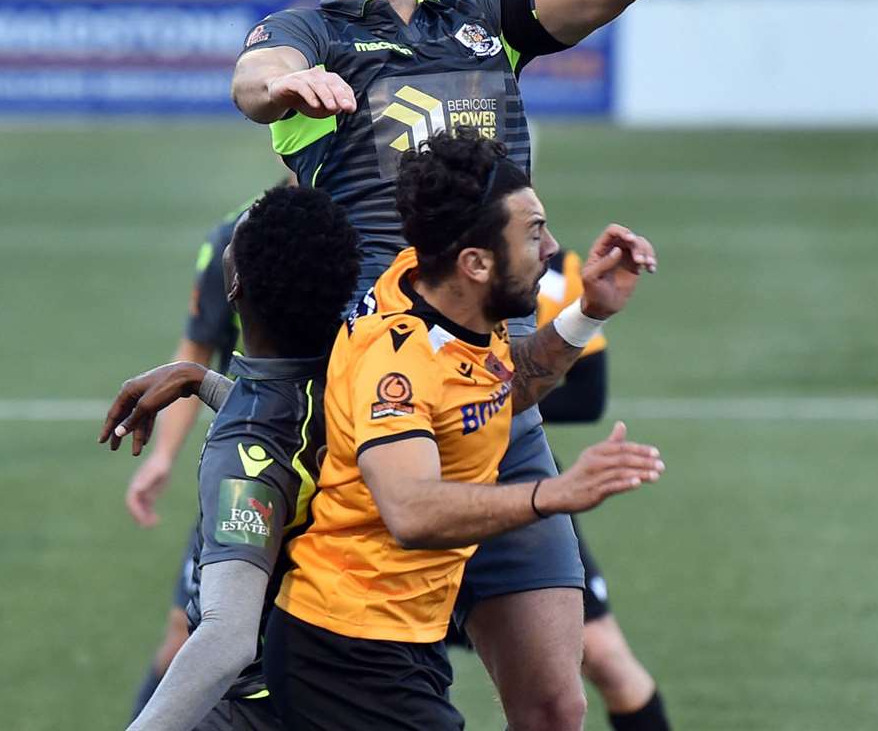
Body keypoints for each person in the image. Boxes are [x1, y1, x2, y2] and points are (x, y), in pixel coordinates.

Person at [228, 0, 692, 729]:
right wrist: (283, 85)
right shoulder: (311, 34)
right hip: (375, 418)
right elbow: (256, 73)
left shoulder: (484, 25)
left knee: (556, 708)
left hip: (495, 400)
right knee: (337, 699)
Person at [262, 132, 662, 729]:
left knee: (560, 706)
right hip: (344, 652)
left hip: (400, 644)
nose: (552, 248)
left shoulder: (452, 304)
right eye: (533, 232)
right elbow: (411, 510)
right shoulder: (396, 358)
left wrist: (588, 313)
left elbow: (497, 389)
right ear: (475, 263)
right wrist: (550, 494)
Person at [105, 184, 362, 731]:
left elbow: (225, 638)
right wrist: (206, 382)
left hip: (268, 705)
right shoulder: (351, 377)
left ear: (236, 286)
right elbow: (293, 418)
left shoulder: (246, 453)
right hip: (360, 674)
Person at [535, 249, 673, 731]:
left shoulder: (549, 275)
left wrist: (487, 406)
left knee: (602, 657)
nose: (548, 241)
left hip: (515, 482)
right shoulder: (376, 272)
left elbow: (588, 396)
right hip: (390, 494)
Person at [123, 201, 250, 719]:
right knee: (185, 639)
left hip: (341, 478)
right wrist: (162, 457)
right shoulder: (238, 236)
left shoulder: (381, 236)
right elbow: (196, 346)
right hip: (248, 472)